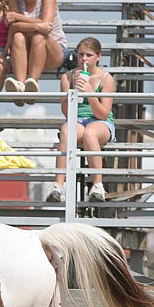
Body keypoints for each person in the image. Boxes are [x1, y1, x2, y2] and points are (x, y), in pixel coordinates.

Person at [47, 37, 116, 203]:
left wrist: (90, 93)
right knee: (66, 129)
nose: (84, 59)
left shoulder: (106, 78)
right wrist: (71, 93)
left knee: (90, 134)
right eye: (81, 55)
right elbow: (67, 113)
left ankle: (97, 185)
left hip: (100, 123)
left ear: (98, 56)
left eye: (89, 55)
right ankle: (58, 185)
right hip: (77, 119)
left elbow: (103, 114)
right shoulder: (68, 77)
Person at [4, 0, 67, 106]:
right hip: (28, 52)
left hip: (53, 50)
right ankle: (20, 85)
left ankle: (33, 84)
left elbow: (47, 26)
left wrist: (18, 17)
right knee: (18, 36)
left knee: (39, 37)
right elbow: (13, 27)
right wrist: (38, 25)